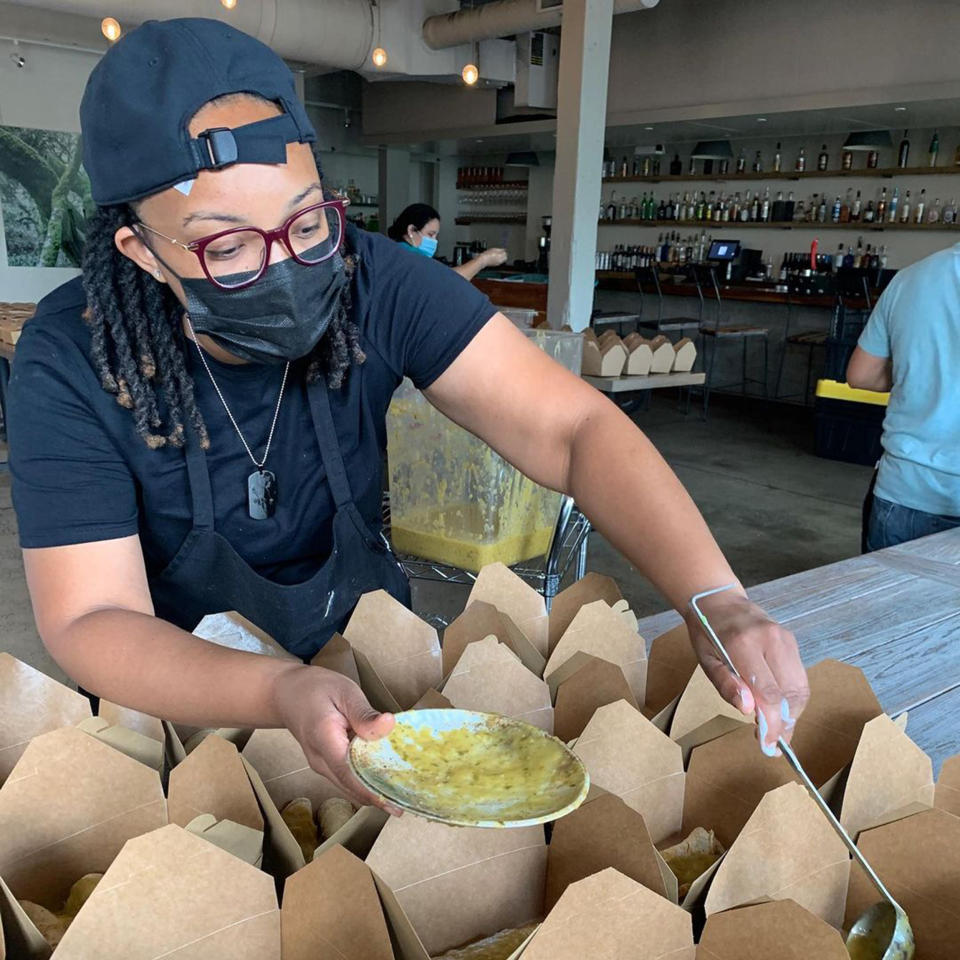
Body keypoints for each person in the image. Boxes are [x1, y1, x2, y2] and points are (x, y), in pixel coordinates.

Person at [9, 18, 808, 812]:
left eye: (307, 222)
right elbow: (93, 616)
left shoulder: (372, 281)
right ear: (143, 251)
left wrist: (717, 597)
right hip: (177, 708)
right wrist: (279, 687)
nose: (285, 264)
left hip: (366, 674)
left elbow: (574, 430)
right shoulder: (73, 359)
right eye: (229, 248)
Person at [847, 245, 960, 551]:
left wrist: (924, 376)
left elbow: (861, 375)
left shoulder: (912, 278)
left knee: (887, 599)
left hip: (906, 491)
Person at [387, 202, 508, 281]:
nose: (434, 241)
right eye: (430, 234)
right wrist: (483, 260)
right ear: (411, 230)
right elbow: (449, 280)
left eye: (436, 235)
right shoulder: (407, 256)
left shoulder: (398, 251)